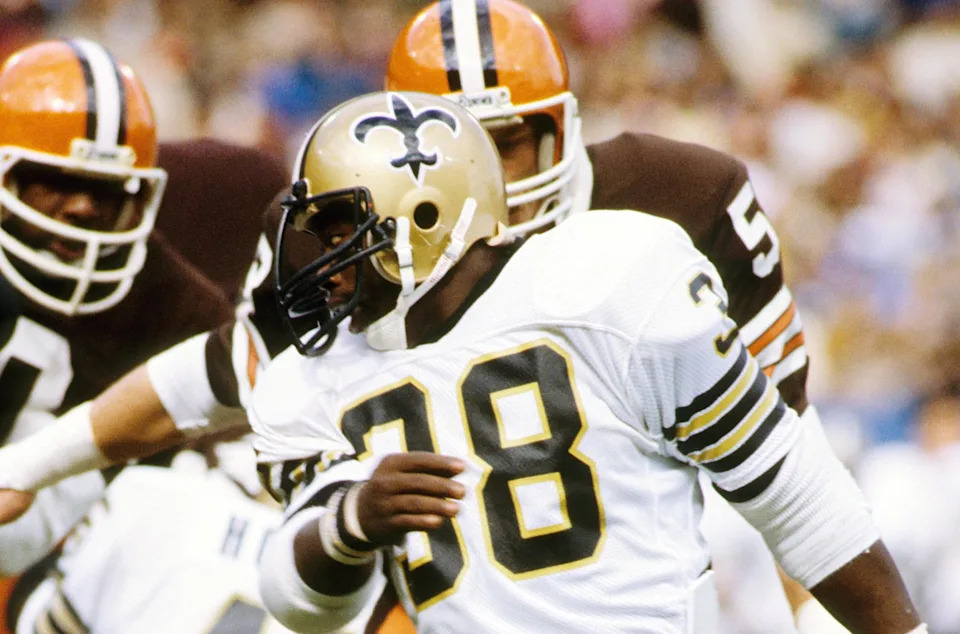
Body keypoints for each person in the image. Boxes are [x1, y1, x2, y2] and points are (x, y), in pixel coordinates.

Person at [0, 0, 821, 626]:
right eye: (460, 141)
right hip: (434, 561)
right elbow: (230, 371)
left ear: (563, 128)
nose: (482, 173)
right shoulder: (339, 225)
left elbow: (792, 456)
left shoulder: (683, 201)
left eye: (506, 139)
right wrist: (27, 467)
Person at [248, 90, 922, 634]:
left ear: (421, 215)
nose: (324, 268)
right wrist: (352, 521)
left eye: (340, 233)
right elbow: (299, 605)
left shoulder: (606, 283)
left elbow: (794, 495)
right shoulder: (314, 381)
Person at [0, 35, 286, 585]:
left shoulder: (175, 310)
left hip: (64, 574)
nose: (82, 208)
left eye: (105, 189)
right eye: (57, 181)